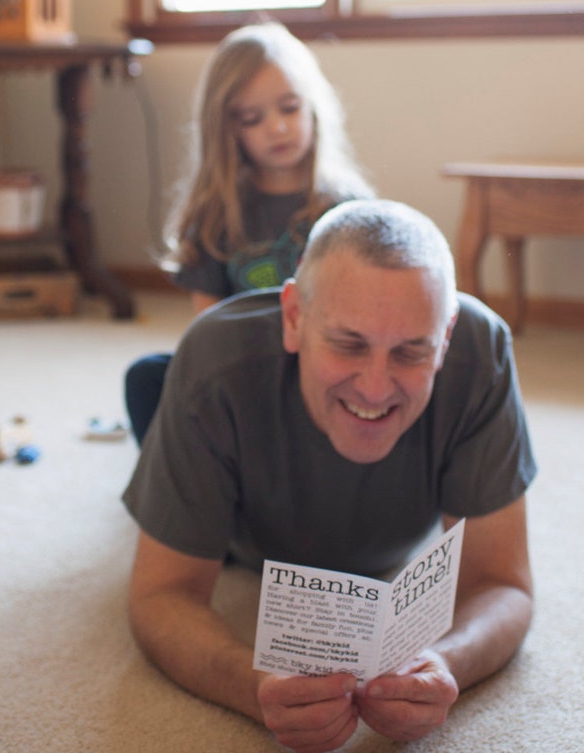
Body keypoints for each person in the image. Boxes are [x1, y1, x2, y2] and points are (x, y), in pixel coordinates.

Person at [123, 199, 536, 752]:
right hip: (240, 529)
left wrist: (445, 664)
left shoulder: (482, 351)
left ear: (446, 334)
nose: (375, 386)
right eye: (349, 344)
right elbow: (161, 595)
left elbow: (503, 583)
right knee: (157, 383)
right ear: (293, 317)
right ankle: (159, 401)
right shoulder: (216, 359)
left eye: (412, 350)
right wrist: (253, 687)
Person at [124, 21, 373, 443]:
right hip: (242, 370)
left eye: (289, 108)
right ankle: (187, 476)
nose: (276, 127)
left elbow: (365, 315)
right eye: (252, 118)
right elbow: (208, 326)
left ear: (313, 107)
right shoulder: (215, 212)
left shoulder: (347, 206)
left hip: (322, 374)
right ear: (227, 129)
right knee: (147, 377)